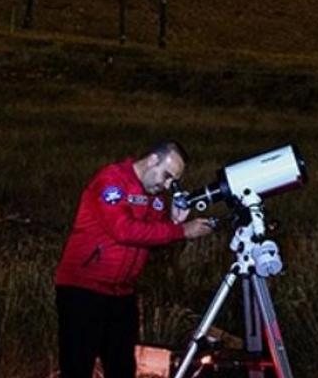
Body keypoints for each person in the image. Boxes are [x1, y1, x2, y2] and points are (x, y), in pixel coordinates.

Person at [54, 140, 215, 378]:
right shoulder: (112, 180)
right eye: (167, 175)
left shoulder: (156, 197)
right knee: (78, 366)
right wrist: (182, 231)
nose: (167, 184)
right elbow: (123, 230)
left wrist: (173, 223)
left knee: (122, 368)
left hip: (121, 295)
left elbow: (153, 241)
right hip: (83, 290)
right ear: (152, 160)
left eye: (173, 181)